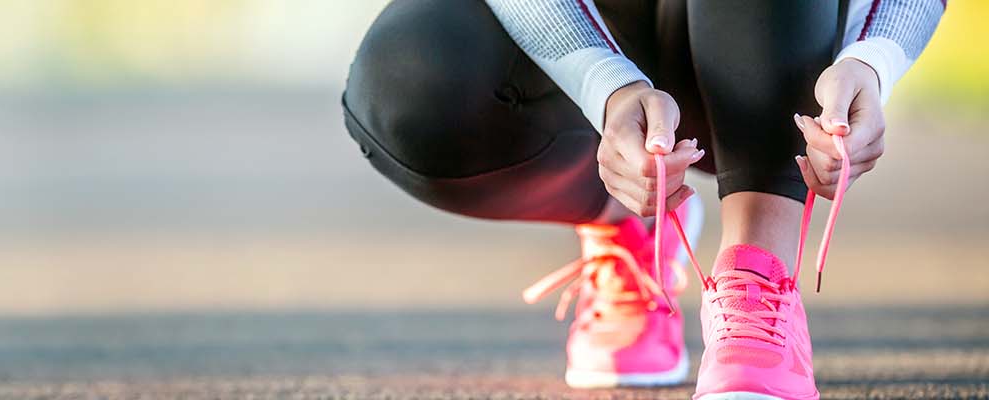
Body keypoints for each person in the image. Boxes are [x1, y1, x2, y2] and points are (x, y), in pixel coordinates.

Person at [341, 0, 943, 398]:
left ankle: (758, 280)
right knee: (409, 85)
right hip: (601, 31)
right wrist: (606, 86)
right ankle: (632, 228)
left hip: (781, 32)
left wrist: (872, 57)